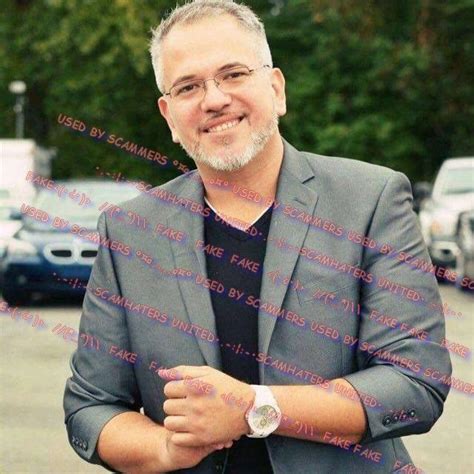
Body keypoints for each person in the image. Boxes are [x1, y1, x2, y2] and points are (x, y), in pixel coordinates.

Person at [63, 1, 452, 473]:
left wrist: (254, 408)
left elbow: (415, 385)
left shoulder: (370, 201)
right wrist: (165, 448)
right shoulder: (130, 231)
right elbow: (90, 409)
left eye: (233, 74)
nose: (213, 99)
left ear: (276, 88)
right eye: (188, 86)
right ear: (168, 115)